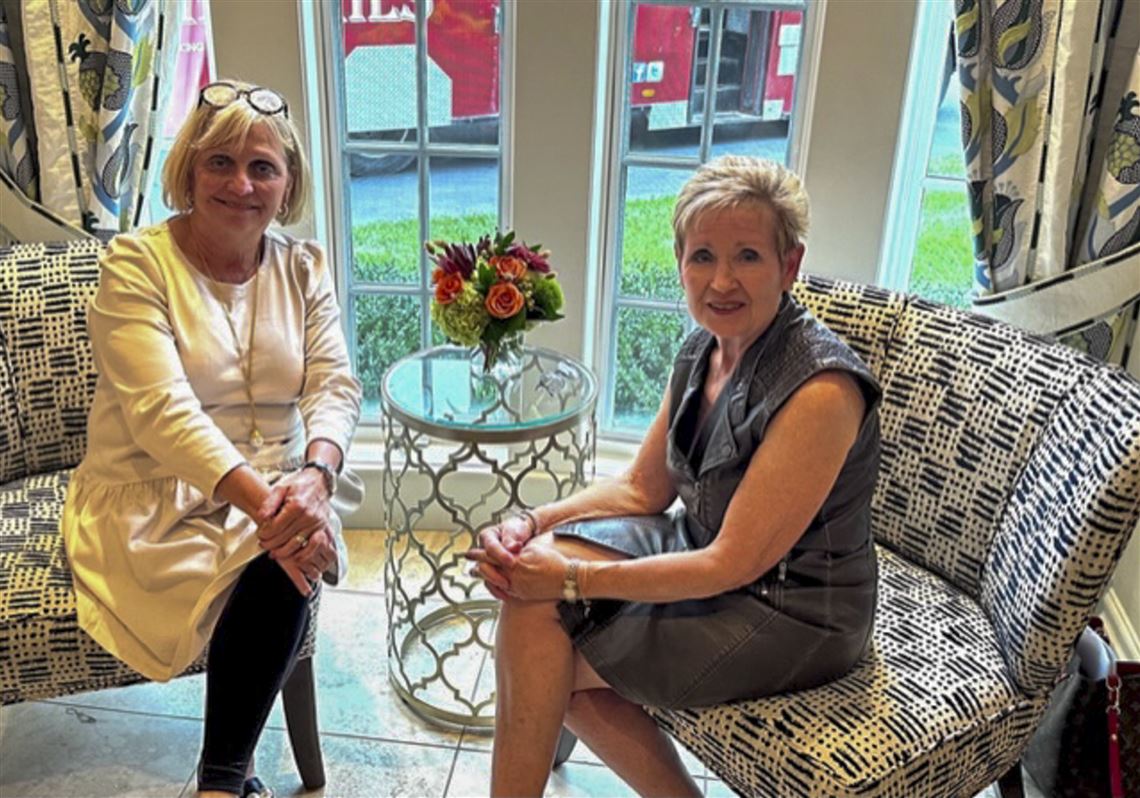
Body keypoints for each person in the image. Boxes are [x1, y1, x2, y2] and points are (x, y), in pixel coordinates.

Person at [468, 155, 881, 797]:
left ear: (789, 264)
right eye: (702, 257)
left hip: (793, 608)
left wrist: (573, 578)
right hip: (704, 551)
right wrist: (529, 524)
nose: (722, 281)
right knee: (532, 599)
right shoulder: (703, 348)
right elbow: (643, 490)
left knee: (553, 651)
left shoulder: (822, 391)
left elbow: (732, 563)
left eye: (748, 256)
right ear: (680, 261)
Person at [61, 80, 362, 798]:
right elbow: (161, 412)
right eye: (219, 162)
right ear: (189, 170)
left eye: (263, 167)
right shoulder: (136, 264)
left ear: (288, 184)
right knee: (287, 549)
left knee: (281, 553)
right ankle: (228, 781)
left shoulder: (304, 266)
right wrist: (278, 512)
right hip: (152, 497)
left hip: (280, 482)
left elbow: (334, 384)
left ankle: (219, 783)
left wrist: (315, 478)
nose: (241, 184)